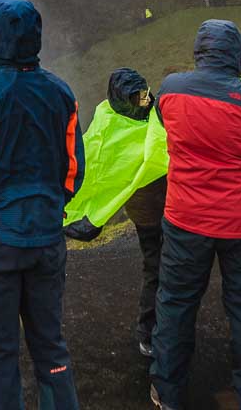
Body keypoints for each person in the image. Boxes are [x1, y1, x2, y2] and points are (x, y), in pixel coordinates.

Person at [0, 0, 85, 410]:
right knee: (51, 346)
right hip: (46, 238)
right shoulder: (62, 93)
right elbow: (73, 169)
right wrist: (51, 206)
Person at [151, 20, 241, 410]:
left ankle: (168, 393)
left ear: (200, 51)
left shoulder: (170, 89)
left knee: (175, 303)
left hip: (185, 217)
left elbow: (165, 123)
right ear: (238, 54)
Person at [62, 67, 169, 357]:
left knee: (167, 268)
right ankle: (149, 332)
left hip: (169, 205)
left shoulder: (153, 111)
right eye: (137, 97)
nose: (143, 101)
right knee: (156, 268)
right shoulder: (107, 118)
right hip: (147, 210)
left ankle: (162, 329)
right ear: (121, 99)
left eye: (144, 94)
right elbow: (96, 161)